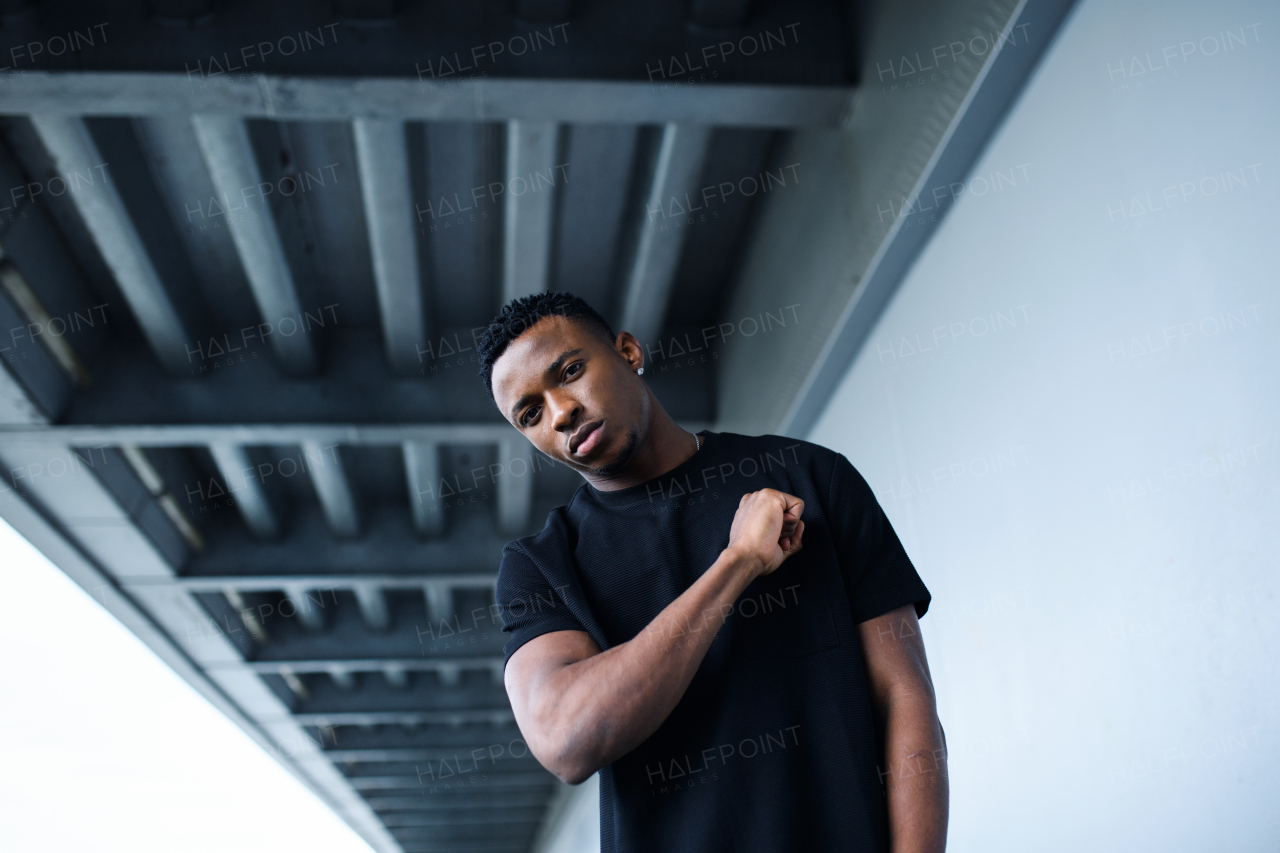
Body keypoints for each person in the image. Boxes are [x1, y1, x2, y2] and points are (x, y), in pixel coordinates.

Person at [476, 292, 948, 853]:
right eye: (530, 413)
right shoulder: (542, 566)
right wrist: (738, 564)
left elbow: (905, 697)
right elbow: (565, 739)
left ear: (627, 351)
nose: (561, 413)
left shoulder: (811, 476)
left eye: (571, 371)